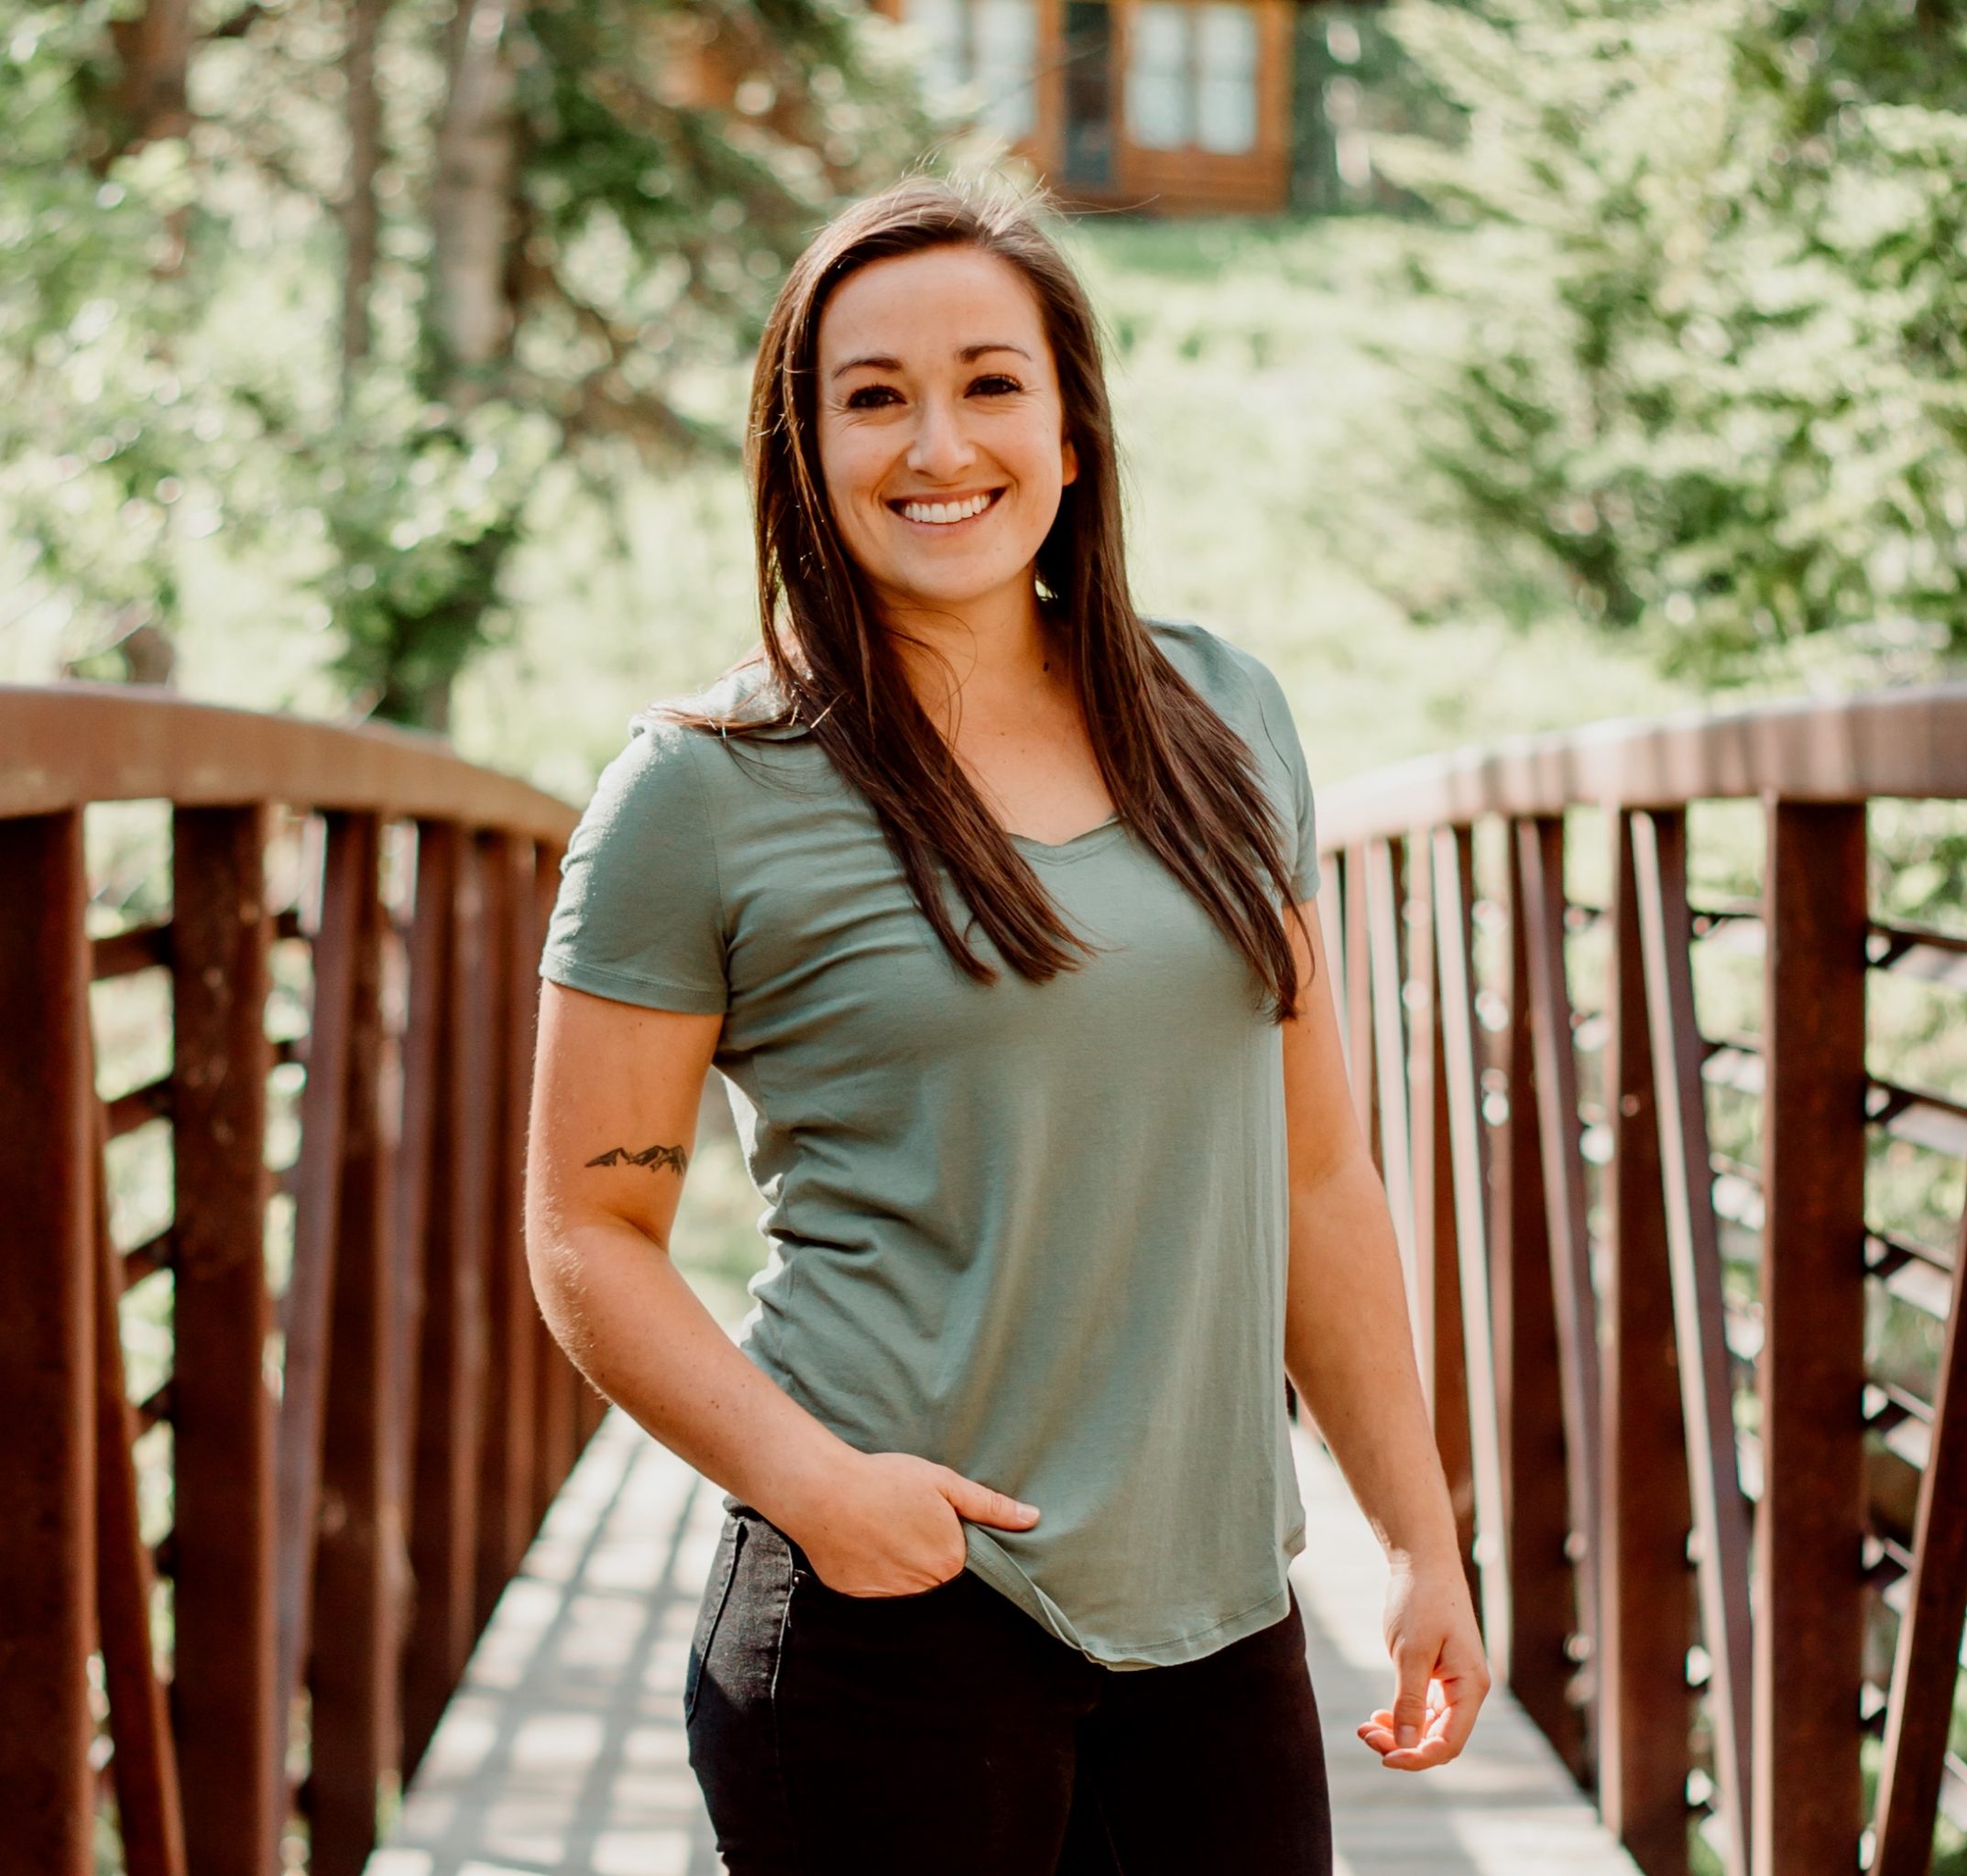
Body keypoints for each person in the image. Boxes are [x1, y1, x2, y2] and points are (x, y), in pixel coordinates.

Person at [521, 173, 1487, 1875]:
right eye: (872, 398)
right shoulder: (702, 791)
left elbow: (1318, 1172)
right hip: (893, 1617)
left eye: (989, 384)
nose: (937, 446)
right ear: (803, 447)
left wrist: (1417, 1538)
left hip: (1218, 1616)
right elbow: (587, 1231)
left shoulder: (1224, 717)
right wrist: (820, 1490)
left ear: (1072, 429)